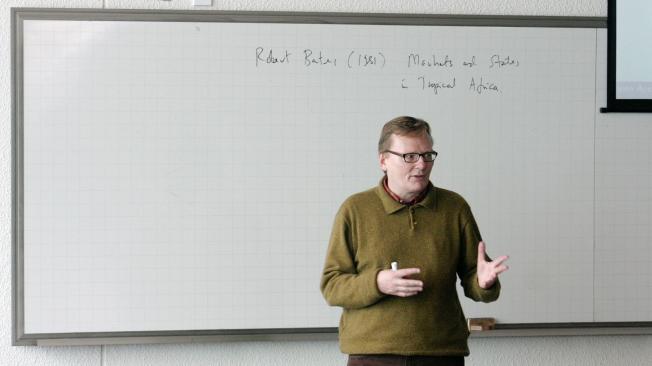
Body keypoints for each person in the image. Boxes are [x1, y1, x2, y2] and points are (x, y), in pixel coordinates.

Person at [320, 116, 509, 366]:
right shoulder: (355, 210)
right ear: (383, 160)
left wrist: (484, 282)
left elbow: (475, 280)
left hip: (441, 354)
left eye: (427, 155)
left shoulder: (455, 208)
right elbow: (332, 286)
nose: (421, 165)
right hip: (373, 355)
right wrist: (377, 283)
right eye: (410, 156)